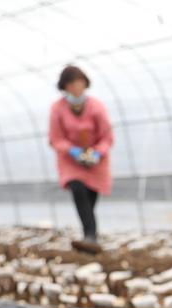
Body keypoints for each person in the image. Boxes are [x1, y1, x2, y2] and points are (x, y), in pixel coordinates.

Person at [48, 65, 113, 254]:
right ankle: (90, 236)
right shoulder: (57, 109)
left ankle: (89, 239)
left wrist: (97, 153)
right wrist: (73, 151)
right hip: (70, 159)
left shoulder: (96, 107)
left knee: (90, 194)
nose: (76, 88)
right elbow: (56, 138)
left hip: (95, 159)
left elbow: (107, 136)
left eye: (79, 83)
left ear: (85, 84)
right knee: (77, 188)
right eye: (72, 84)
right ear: (65, 87)